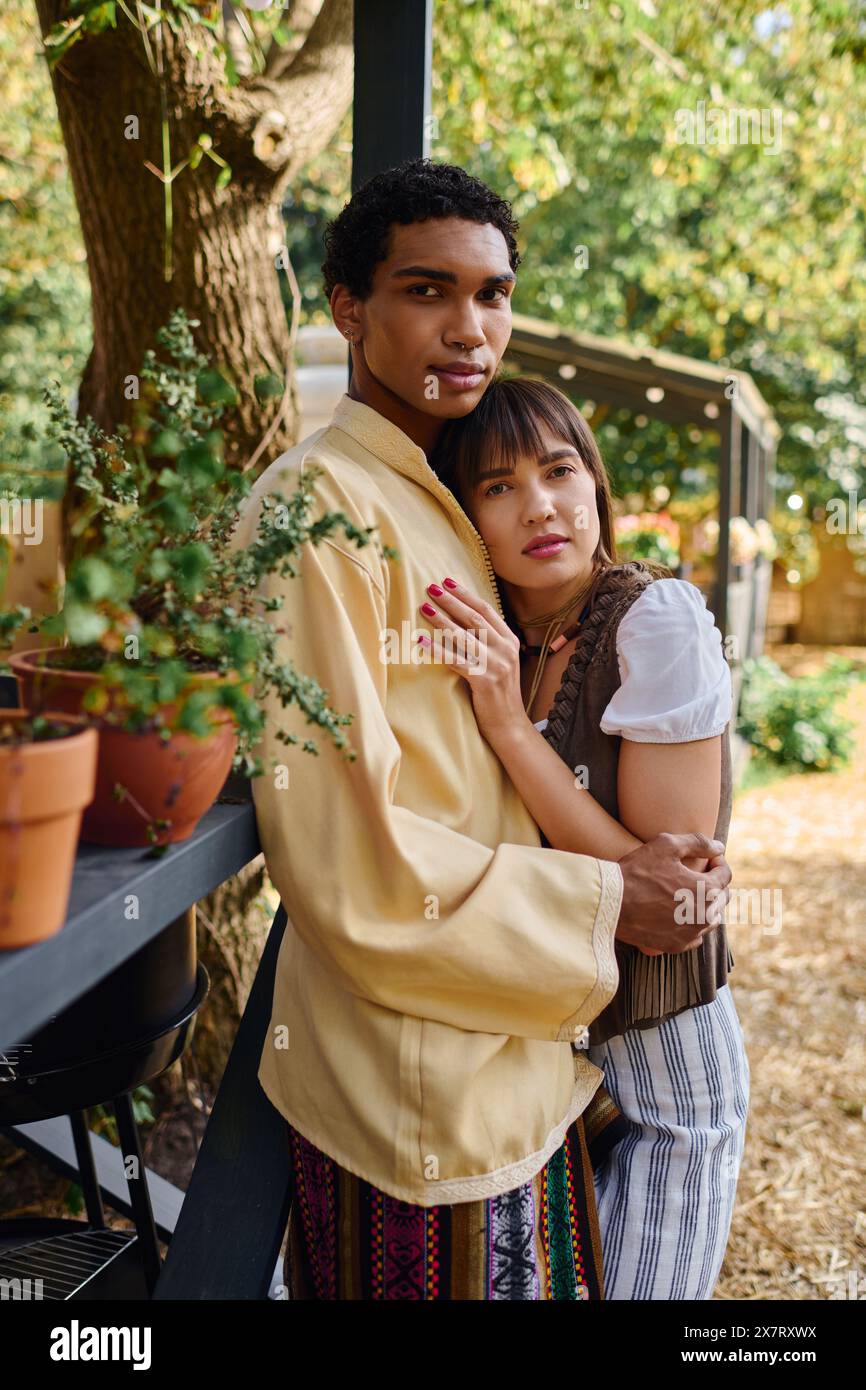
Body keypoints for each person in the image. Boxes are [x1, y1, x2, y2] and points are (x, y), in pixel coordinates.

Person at [230, 158, 731, 1300]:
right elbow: (350, 859)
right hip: (422, 1097)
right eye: (425, 291)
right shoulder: (320, 515)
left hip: (505, 1056)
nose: (470, 329)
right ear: (347, 307)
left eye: (492, 294)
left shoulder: (432, 489)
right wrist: (610, 898)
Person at [428, 375, 751, 1299]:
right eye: (496, 487)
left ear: (594, 484)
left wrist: (507, 728)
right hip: (557, 1059)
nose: (540, 507)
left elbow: (661, 891)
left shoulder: (654, 621)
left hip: (665, 1065)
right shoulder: (506, 638)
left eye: (558, 470)